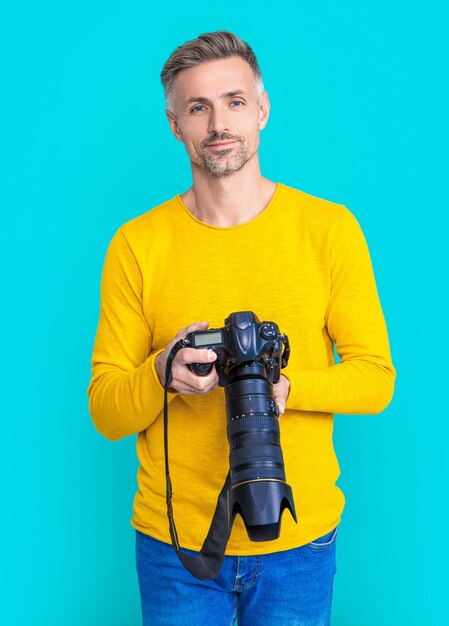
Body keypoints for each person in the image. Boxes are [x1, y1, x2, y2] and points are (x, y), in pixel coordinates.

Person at [87, 30, 395, 626]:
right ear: (176, 125)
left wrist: (287, 388)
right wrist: (162, 373)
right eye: (197, 108)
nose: (218, 123)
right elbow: (106, 412)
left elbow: (376, 380)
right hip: (172, 541)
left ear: (262, 108)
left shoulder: (329, 231)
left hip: (299, 538)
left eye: (233, 101)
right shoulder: (137, 246)